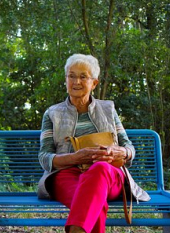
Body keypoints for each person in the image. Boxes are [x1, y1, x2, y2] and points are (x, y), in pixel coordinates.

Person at [37, 54, 150, 233]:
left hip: (108, 173)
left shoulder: (108, 109)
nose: (76, 81)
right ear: (65, 80)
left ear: (94, 83)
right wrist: (75, 157)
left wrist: (122, 153)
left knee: (99, 170)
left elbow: (129, 147)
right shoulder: (52, 114)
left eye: (83, 76)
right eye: (71, 76)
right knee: (92, 202)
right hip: (66, 174)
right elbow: (44, 157)